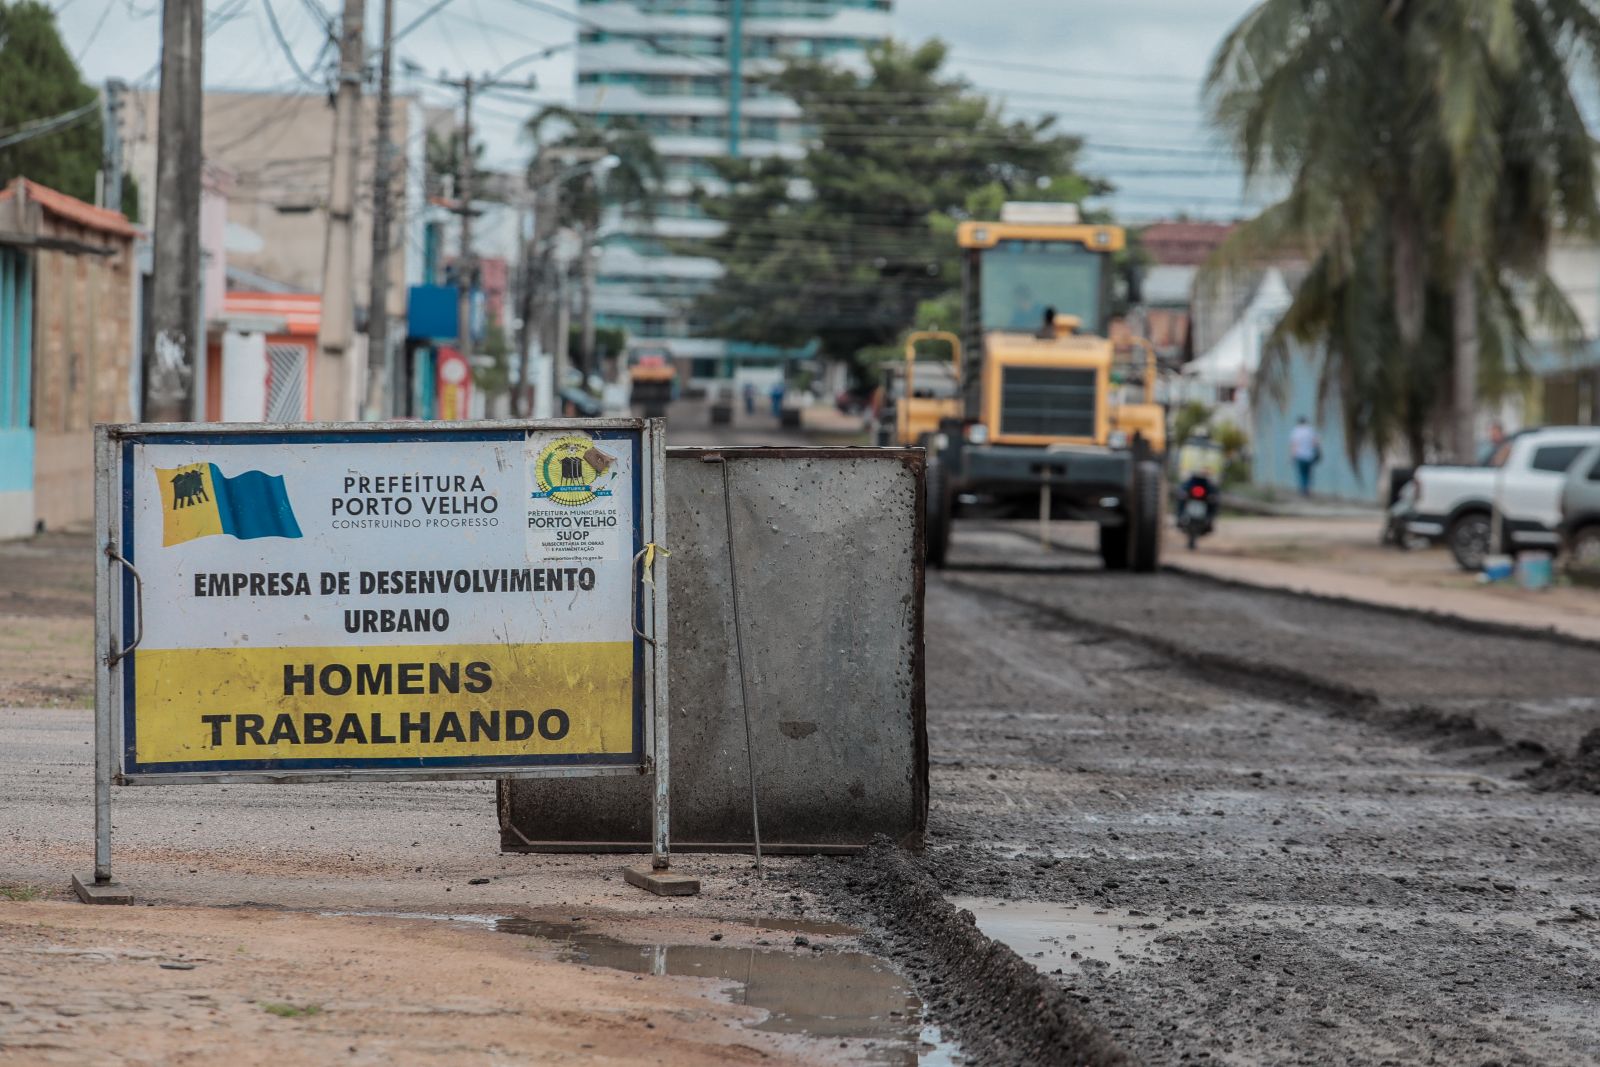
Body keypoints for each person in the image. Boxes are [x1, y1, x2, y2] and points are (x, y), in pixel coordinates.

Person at [1289, 416, 1320, 497]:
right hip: (1309, 455)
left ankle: (1303, 490)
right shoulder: (1310, 430)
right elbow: (1315, 443)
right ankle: (1307, 489)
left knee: (1302, 473)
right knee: (1308, 473)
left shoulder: (1296, 431)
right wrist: (1317, 452)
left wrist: (1292, 456)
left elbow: (1294, 445)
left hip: (1300, 455)